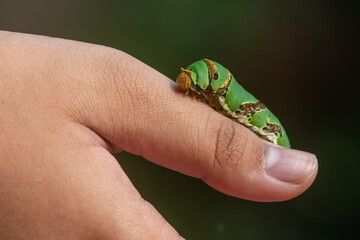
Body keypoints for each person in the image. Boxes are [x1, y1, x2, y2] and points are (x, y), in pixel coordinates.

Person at [0, 31, 318, 239]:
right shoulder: (212, 93)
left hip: (271, 136)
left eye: (192, 81)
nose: (185, 86)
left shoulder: (230, 101)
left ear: (214, 84)